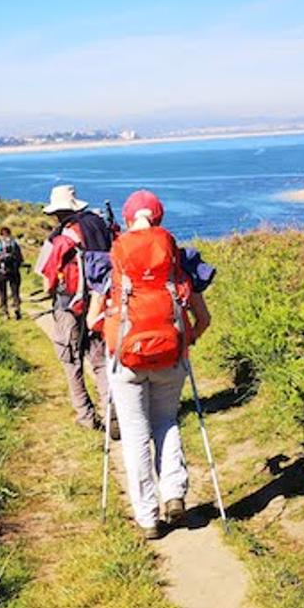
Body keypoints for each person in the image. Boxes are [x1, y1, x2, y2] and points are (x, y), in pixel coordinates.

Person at [88, 189, 212, 540]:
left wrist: (117, 330)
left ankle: (147, 518)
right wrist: (185, 341)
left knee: (135, 434)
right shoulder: (180, 261)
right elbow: (203, 319)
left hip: (125, 360)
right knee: (166, 422)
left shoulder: (109, 262)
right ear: (159, 220)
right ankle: (175, 493)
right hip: (172, 357)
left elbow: (92, 320)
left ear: (127, 220)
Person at [36, 184, 118, 435]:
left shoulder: (62, 238)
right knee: (100, 359)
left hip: (69, 306)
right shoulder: (99, 226)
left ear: (57, 212)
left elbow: (48, 281)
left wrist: (51, 293)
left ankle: (86, 416)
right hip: (101, 302)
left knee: (71, 361)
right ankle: (113, 408)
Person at [0, 227, 23, 319]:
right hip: (14, 271)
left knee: (2, 293)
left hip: (1, 272)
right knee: (15, 292)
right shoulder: (15, 244)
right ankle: (17, 308)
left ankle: (5, 312)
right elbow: (20, 258)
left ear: (0, 234)